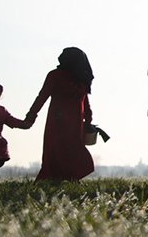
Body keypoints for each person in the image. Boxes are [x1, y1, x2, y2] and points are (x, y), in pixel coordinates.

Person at [26, 47, 96, 181]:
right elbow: (42, 96)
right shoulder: (55, 76)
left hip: (73, 122)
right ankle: (57, 178)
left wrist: (88, 119)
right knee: (56, 150)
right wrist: (31, 116)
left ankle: (71, 177)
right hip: (58, 121)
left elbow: (85, 100)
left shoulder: (79, 78)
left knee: (73, 150)